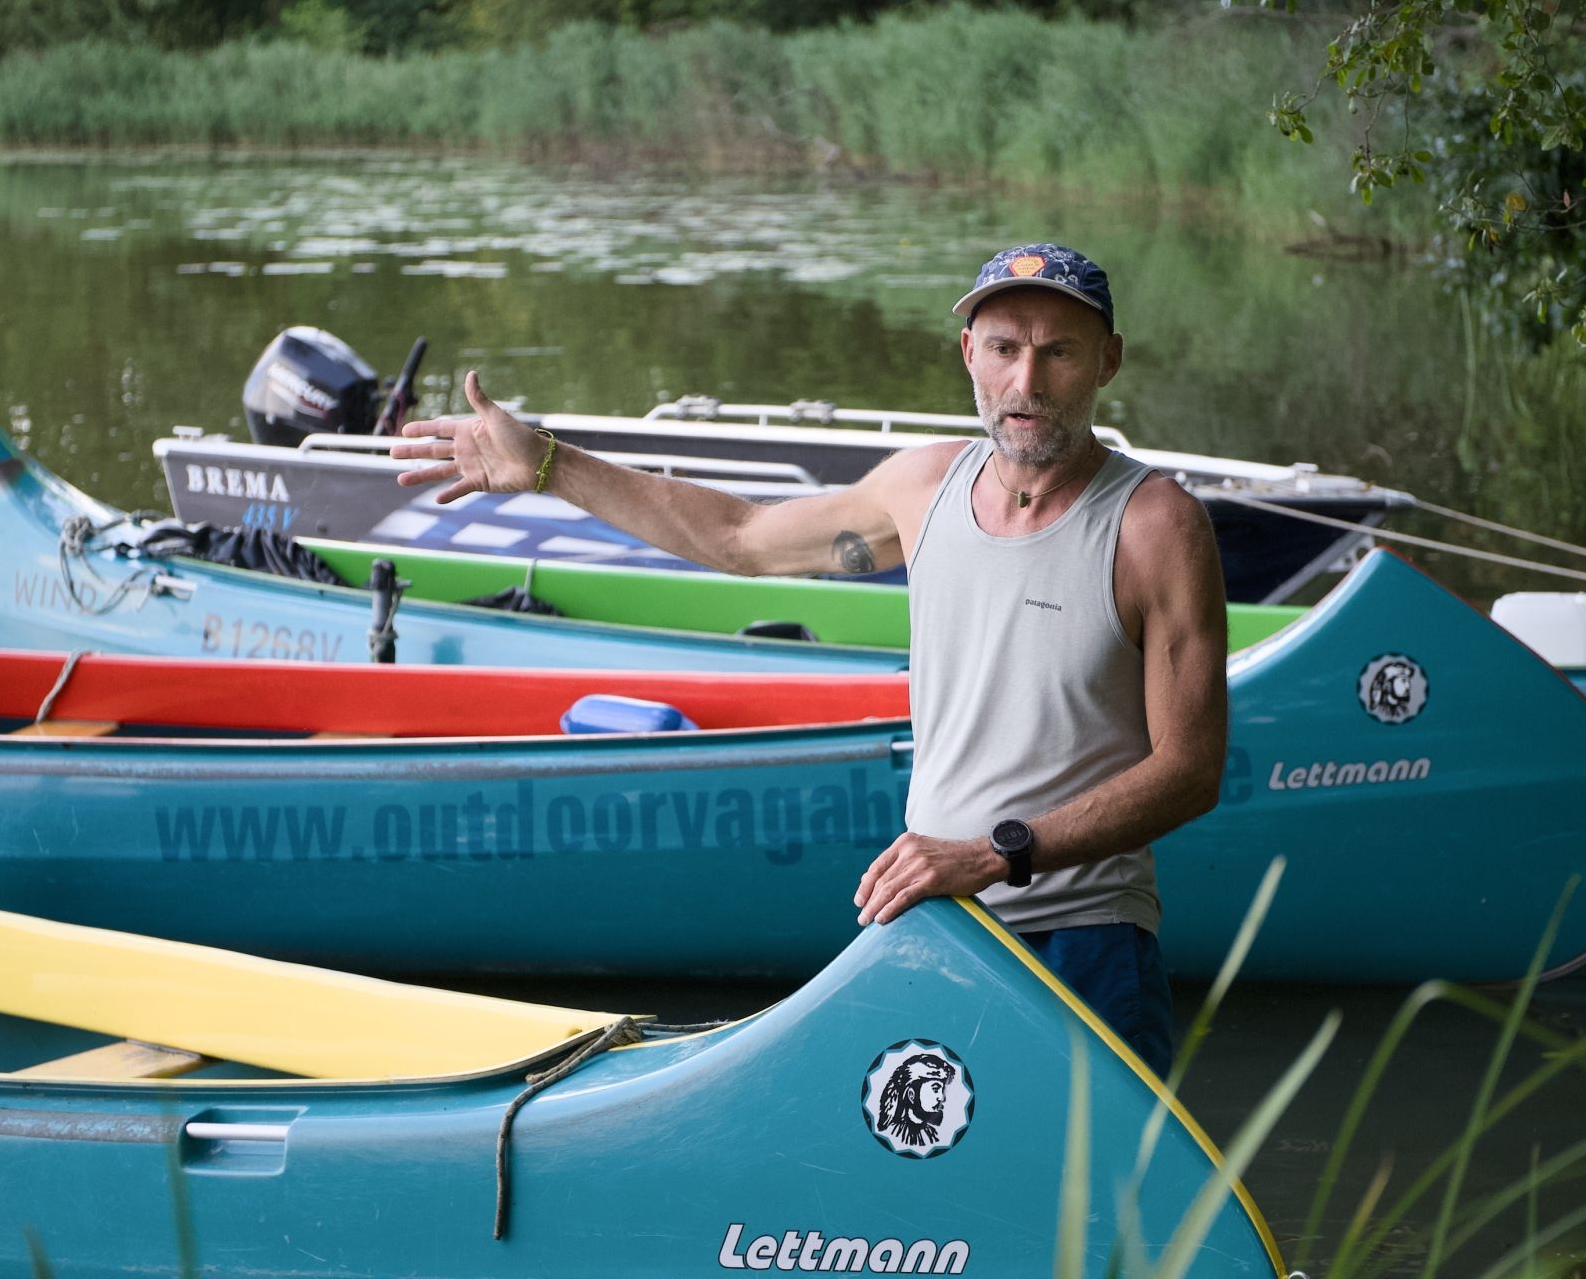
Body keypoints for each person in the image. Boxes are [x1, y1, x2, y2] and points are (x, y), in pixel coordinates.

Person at [391, 243, 1229, 1076]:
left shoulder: (1155, 526)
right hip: (941, 930)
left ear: (1107, 362)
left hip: (1085, 940)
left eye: (1059, 351)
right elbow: (741, 539)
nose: (1026, 382)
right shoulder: (923, 489)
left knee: (1103, 1211)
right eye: (1005, 348)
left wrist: (995, 852)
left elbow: (1191, 770)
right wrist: (548, 465)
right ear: (969, 353)